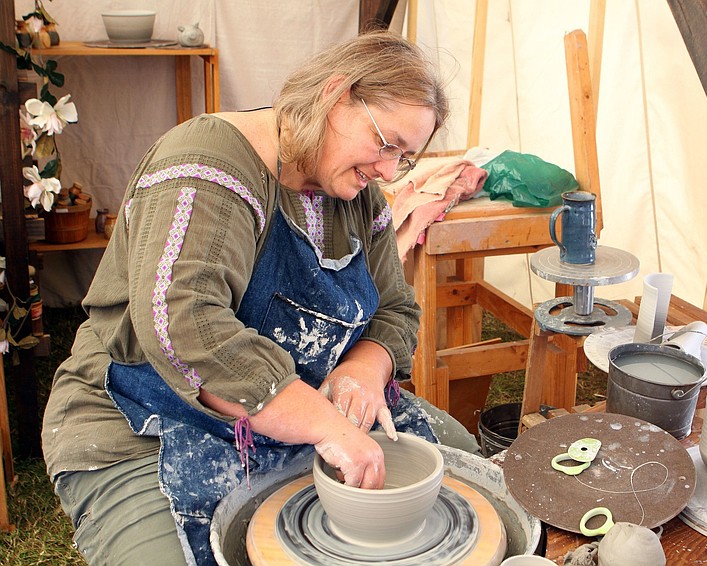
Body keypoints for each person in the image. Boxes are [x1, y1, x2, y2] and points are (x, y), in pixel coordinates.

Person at [41, 30, 480, 566]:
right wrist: (328, 427)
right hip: (143, 413)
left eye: (405, 158)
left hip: (298, 407)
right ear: (335, 95)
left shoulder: (357, 192)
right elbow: (184, 324)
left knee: (466, 469)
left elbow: (396, 308)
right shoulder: (208, 165)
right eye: (386, 144)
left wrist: (363, 372)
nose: (389, 171)